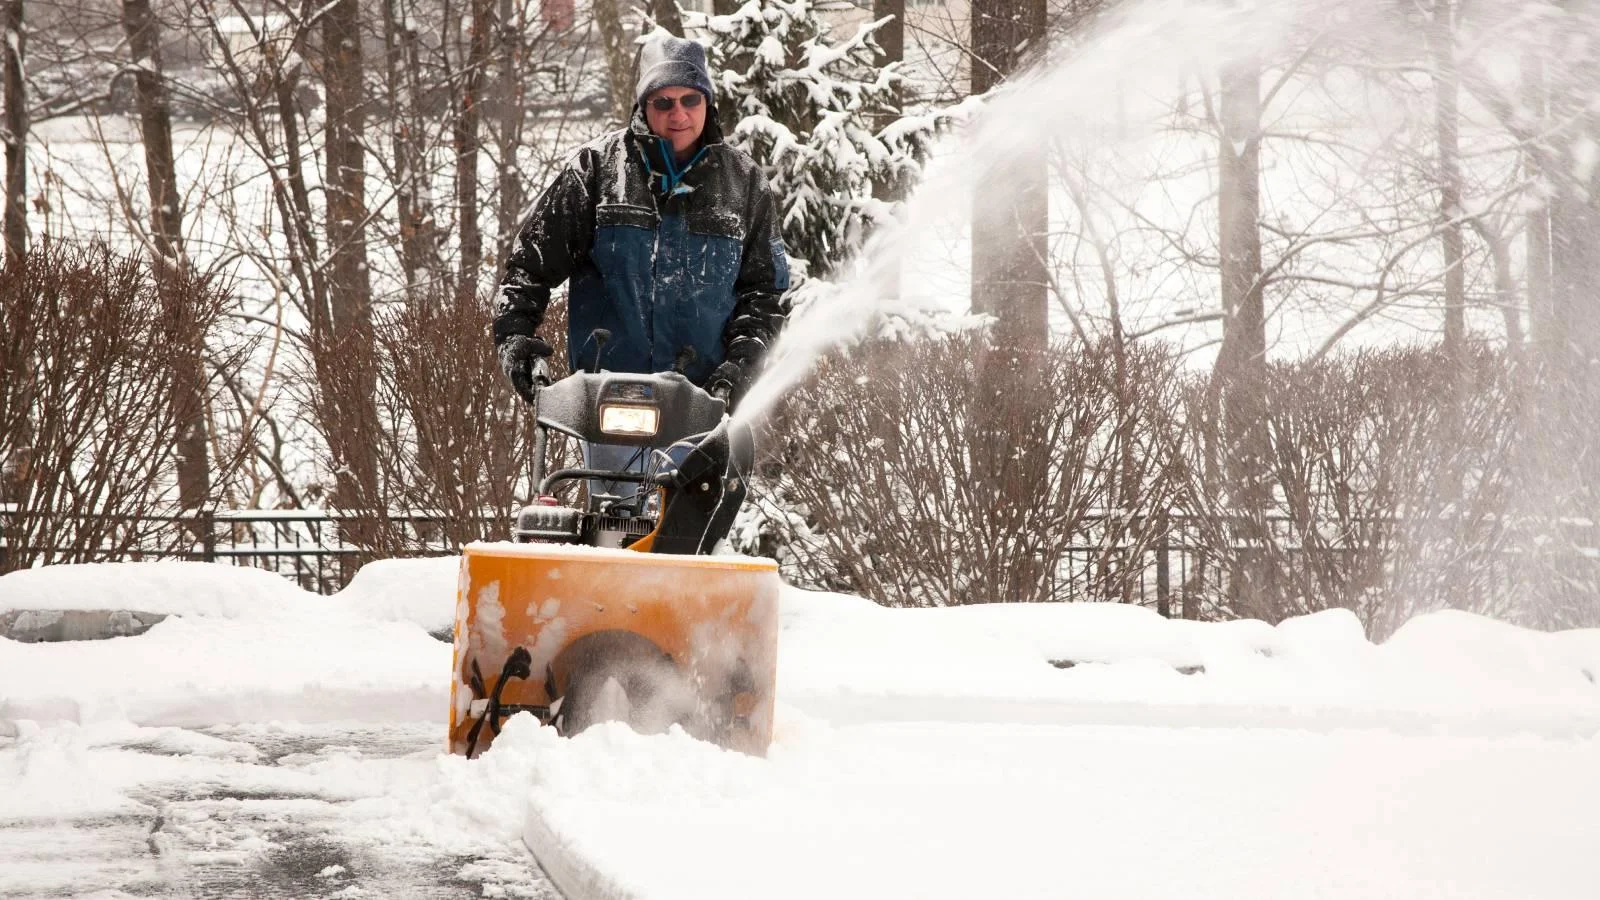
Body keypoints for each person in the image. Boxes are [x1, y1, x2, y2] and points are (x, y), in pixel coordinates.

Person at [493, 33, 788, 545]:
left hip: (701, 400)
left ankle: (686, 616)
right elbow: (527, 270)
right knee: (611, 525)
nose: (679, 114)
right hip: (607, 399)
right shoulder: (595, 172)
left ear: (708, 101)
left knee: (690, 537)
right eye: (663, 102)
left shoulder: (744, 186)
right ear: (643, 106)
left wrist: (742, 366)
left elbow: (765, 296)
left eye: (691, 99)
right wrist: (517, 341)